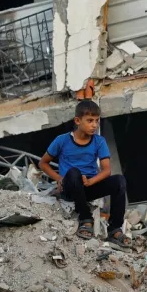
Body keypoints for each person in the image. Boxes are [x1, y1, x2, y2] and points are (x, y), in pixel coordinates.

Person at [39, 100, 129, 247]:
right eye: (90, 121)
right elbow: (43, 163)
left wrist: (90, 182)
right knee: (74, 172)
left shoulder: (99, 141)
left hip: (88, 187)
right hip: (70, 188)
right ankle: (85, 219)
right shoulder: (61, 140)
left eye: (97, 121)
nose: (94, 125)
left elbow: (107, 170)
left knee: (119, 181)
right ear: (77, 121)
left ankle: (115, 229)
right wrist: (59, 179)